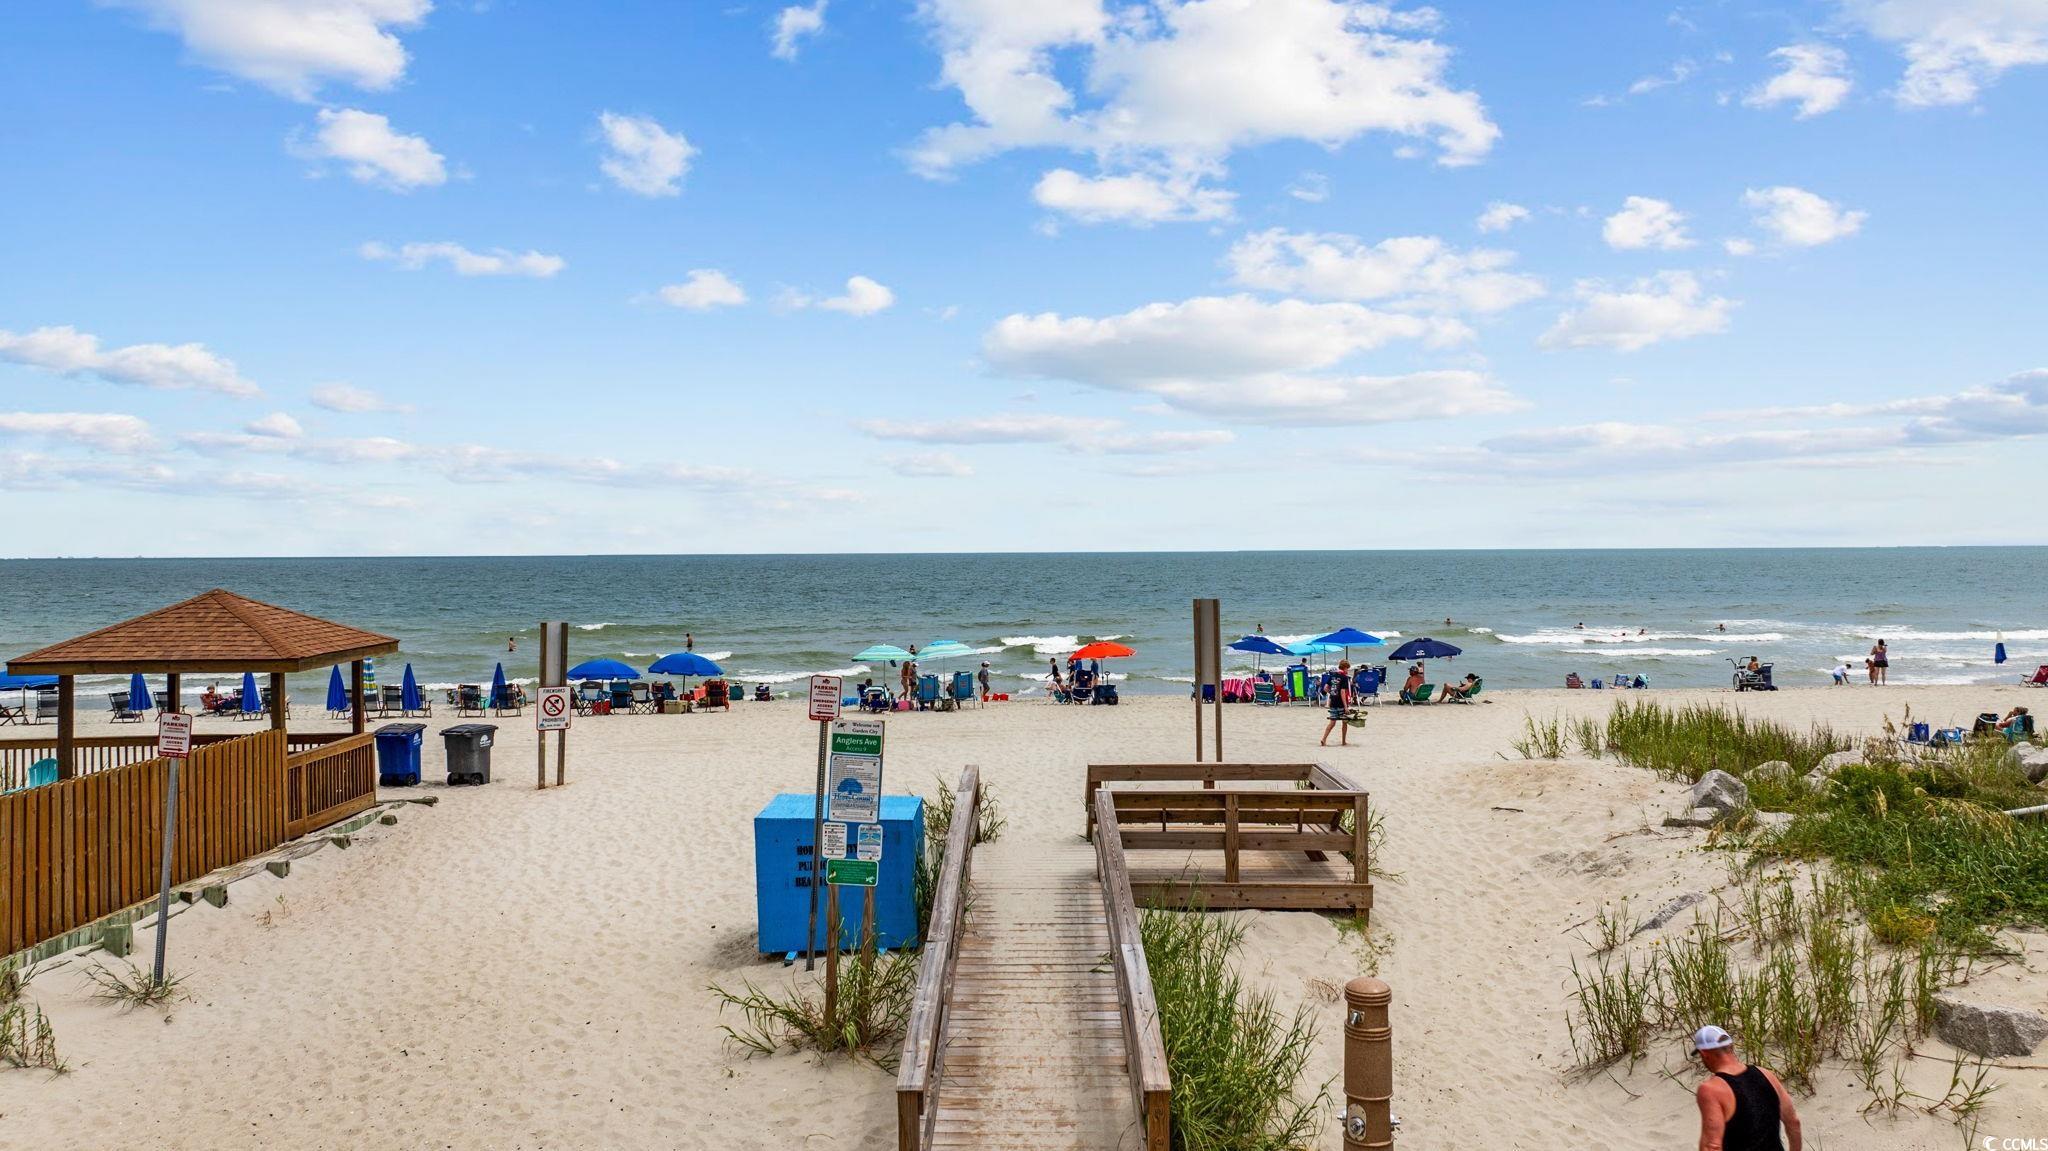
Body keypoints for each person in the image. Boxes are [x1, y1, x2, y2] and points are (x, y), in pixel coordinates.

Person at [1693, 1025, 1801, 1151]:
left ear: (1704, 1054)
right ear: (1731, 1047)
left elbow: (1712, 1146)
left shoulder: (1710, 1090)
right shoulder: (1765, 1074)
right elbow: (1793, 1122)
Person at [1320, 660, 1353, 746]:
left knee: (1332, 722)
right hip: (1341, 703)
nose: (1347, 671)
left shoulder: (1333, 675)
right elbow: (1342, 692)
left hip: (1333, 702)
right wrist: (1345, 707)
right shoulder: (1344, 677)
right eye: (1347, 669)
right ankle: (1343, 741)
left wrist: (1332, 692)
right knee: (1345, 722)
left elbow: (1325, 688)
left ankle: (1323, 739)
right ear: (1345, 668)